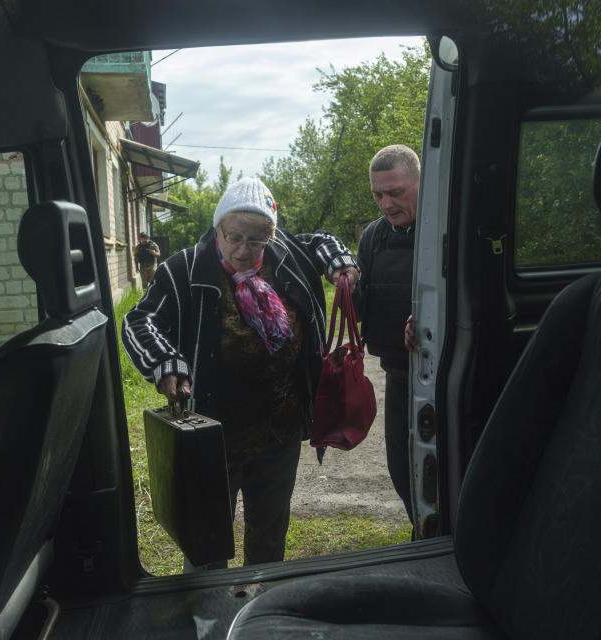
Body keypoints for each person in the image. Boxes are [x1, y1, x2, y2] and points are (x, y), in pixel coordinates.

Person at [122, 177, 359, 567]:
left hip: (278, 431)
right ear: (218, 228)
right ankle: (207, 616)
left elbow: (320, 241)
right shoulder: (186, 268)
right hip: (213, 436)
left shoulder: (284, 256)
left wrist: (340, 261)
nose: (243, 250)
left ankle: (263, 607)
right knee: (206, 541)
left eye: (256, 241)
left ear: (271, 237)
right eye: (233, 237)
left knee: (269, 538)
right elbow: (139, 320)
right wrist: (165, 364)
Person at [353, 144, 420, 525]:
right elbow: (363, 304)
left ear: (420, 182)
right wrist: (345, 289)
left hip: (444, 375)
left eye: (396, 193)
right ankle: (422, 533)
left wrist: (430, 317)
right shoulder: (374, 237)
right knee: (401, 468)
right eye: (378, 194)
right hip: (396, 376)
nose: (385, 204)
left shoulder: (446, 226)